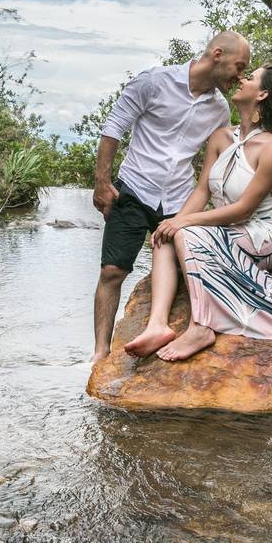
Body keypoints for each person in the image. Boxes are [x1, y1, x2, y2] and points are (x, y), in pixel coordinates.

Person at [124, 64, 272, 361]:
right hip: (224, 231)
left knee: (186, 232)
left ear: (263, 94)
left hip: (260, 235)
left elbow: (243, 210)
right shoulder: (220, 137)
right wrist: (173, 222)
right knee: (166, 235)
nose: (241, 79)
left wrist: (184, 222)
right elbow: (202, 192)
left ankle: (201, 326)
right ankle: (157, 325)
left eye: (250, 78)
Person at [91, 32, 252, 363]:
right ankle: (99, 353)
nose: (241, 76)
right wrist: (102, 182)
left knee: (186, 269)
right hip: (135, 188)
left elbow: (220, 159)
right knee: (112, 271)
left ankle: (171, 328)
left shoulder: (220, 110)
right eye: (239, 66)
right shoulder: (153, 82)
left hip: (179, 200)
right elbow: (113, 127)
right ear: (217, 54)